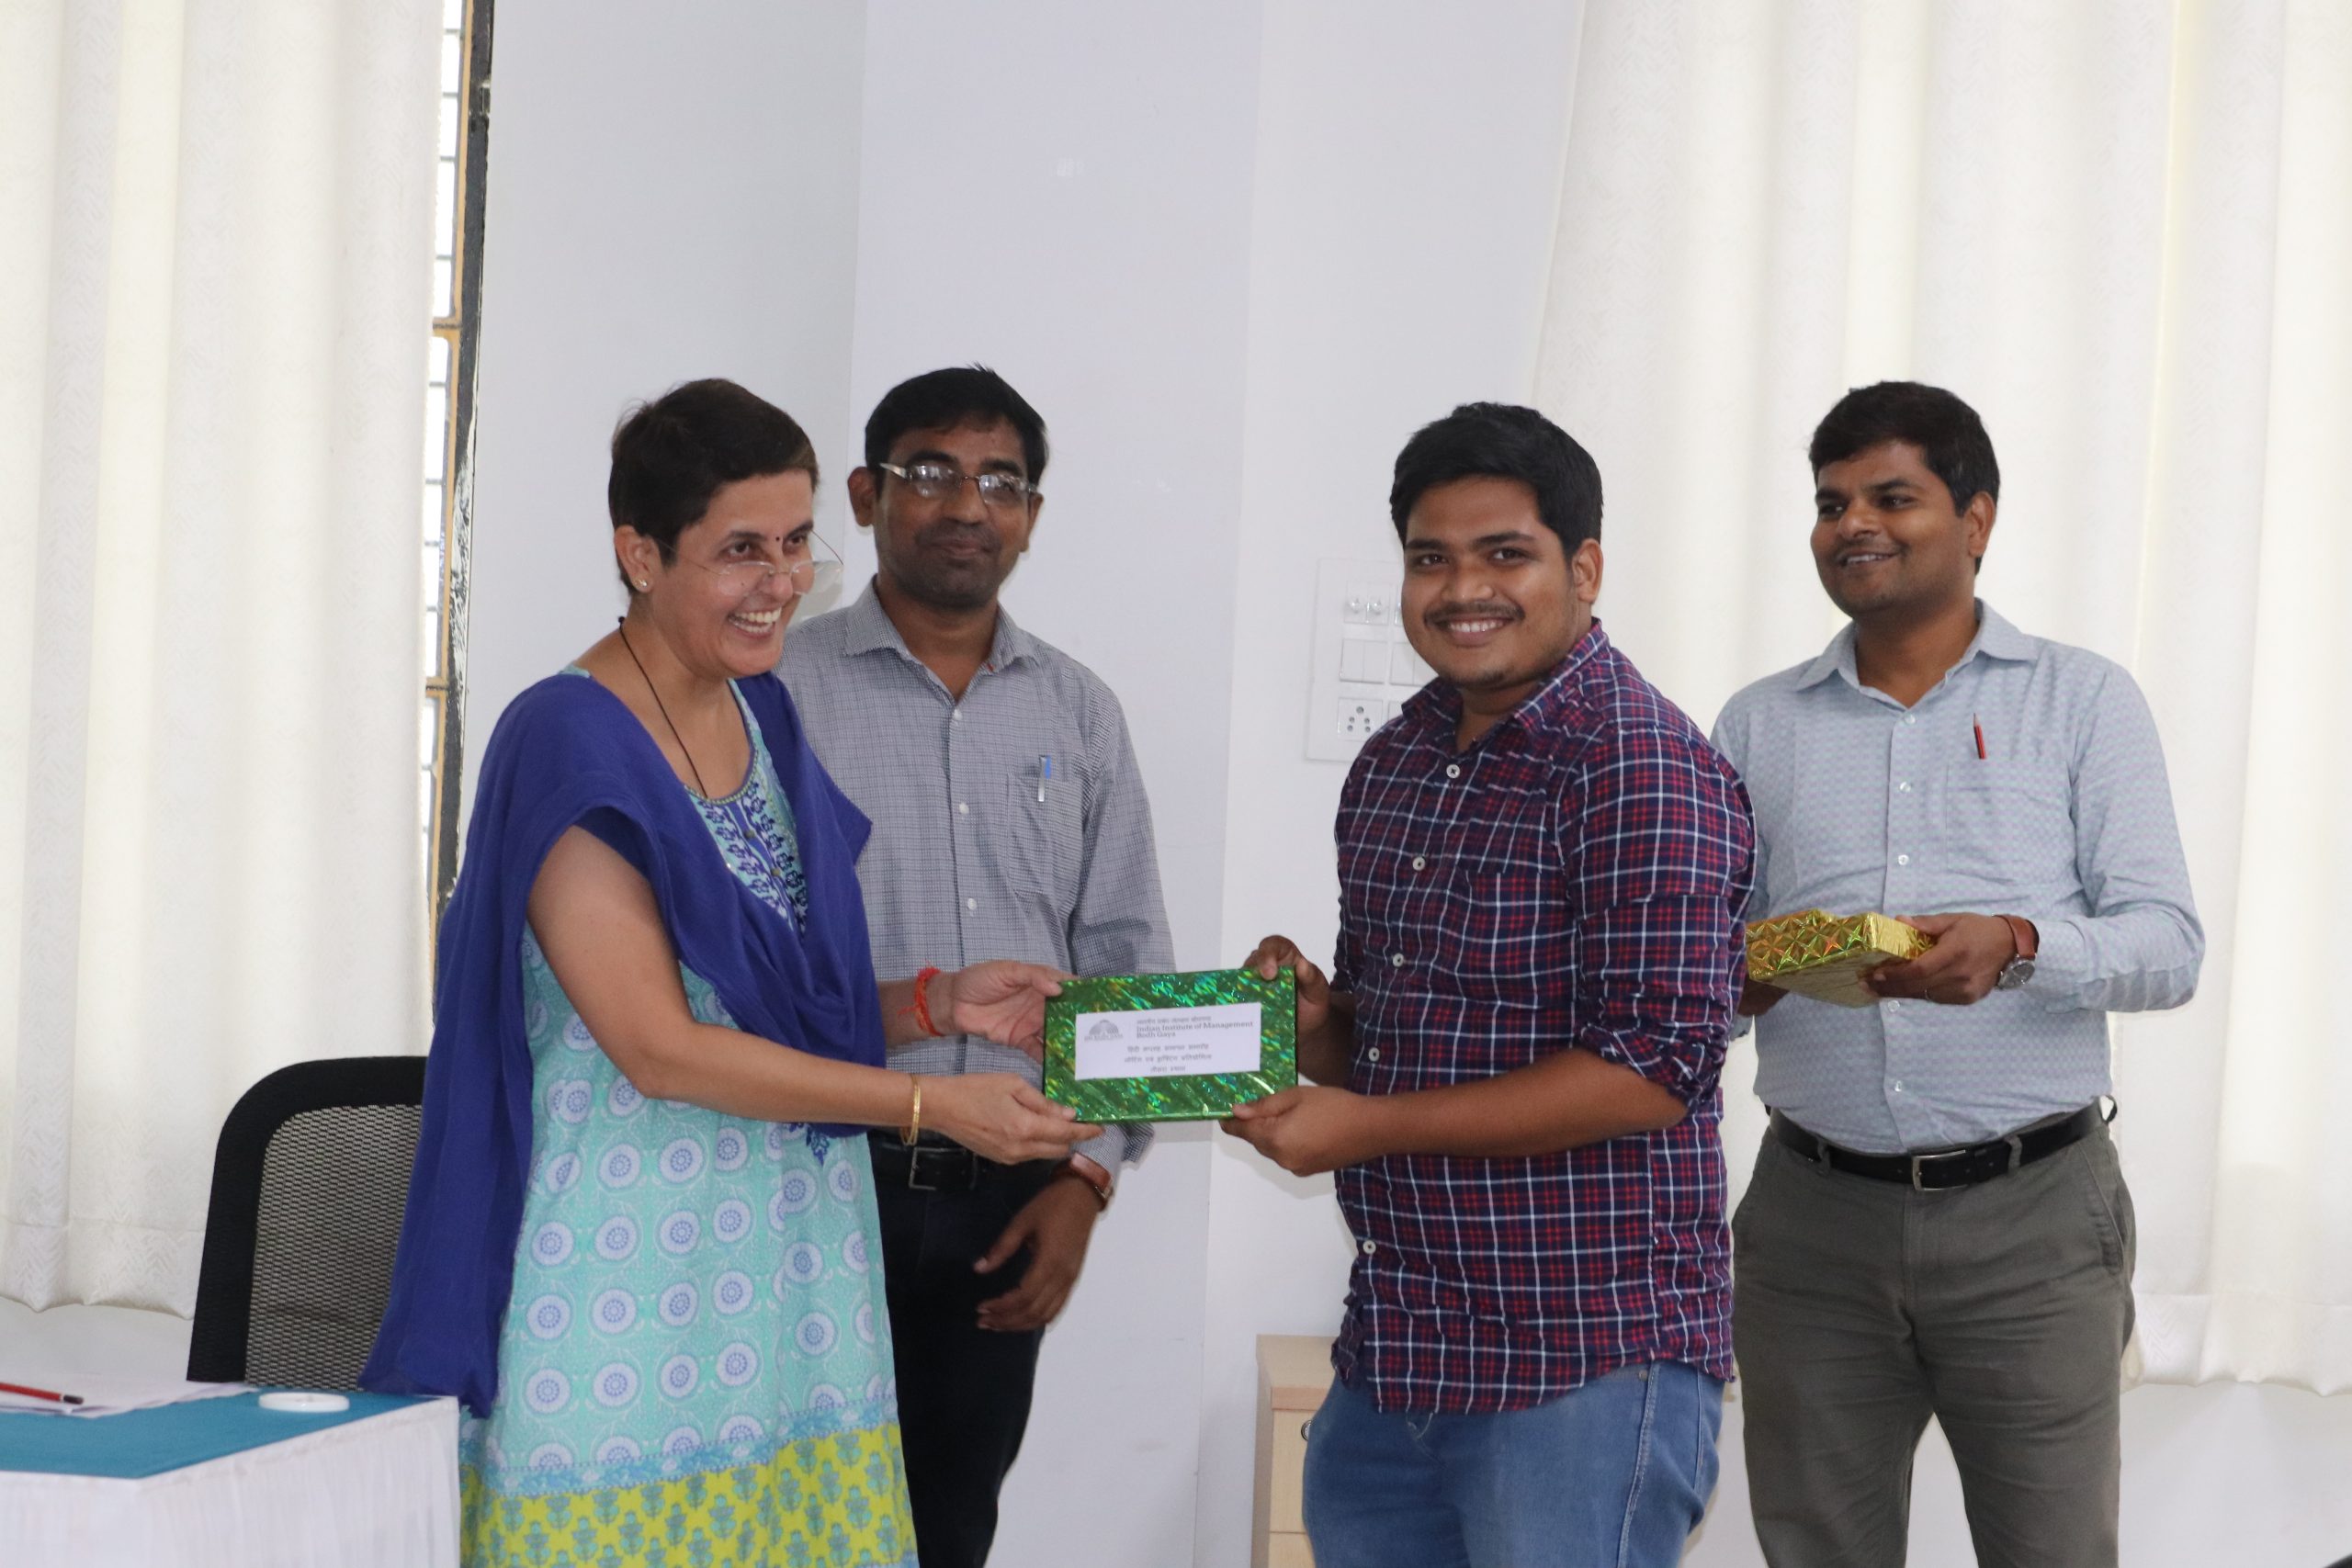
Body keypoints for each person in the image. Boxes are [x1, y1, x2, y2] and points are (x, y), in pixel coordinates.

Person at [364, 378, 1101, 1568]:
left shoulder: (762, 715)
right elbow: (660, 1048)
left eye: (798, 542)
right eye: (741, 549)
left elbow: (773, 1012)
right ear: (641, 554)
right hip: (621, 1277)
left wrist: (932, 1003)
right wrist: (929, 1101)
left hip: (785, 1273)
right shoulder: (569, 735)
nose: (784, 580)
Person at [1223, 402, 1754, 1568]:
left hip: (1581, 1365)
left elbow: (1651, 1070)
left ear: (1584, 569)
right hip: (1399, 1351)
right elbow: (1392, 1048)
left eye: (1504, 554)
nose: (1463, 589)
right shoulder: (1397, 763)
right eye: (1431, 558)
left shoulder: (1640, 766)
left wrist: (1360, 1124)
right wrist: (1315, 1029)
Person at [1713, 380, 2203, 1568]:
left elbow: (2167, 946)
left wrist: (2021, 944)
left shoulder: (2082, 699)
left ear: (1976, 518)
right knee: (1815, 1547)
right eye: (1830, 502)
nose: (1852, 524)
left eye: (1892, 497)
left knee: (2052, 1550)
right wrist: (1748, 977)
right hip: (1812, 1219)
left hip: (2033, 1220)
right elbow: (1704, 969)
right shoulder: (1756, 723)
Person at [780, 365, 1171, 1568]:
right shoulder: (773, 693)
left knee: (948, 1529)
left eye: (1001, 481)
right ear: (865, 495)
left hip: (1009, 1200)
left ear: (1032, 516)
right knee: (787, 1523)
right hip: (808, 1181)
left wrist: (1087, 1180)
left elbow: (1124, 962)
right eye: (931, 472)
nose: (967, 504)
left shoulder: (1080, 712)